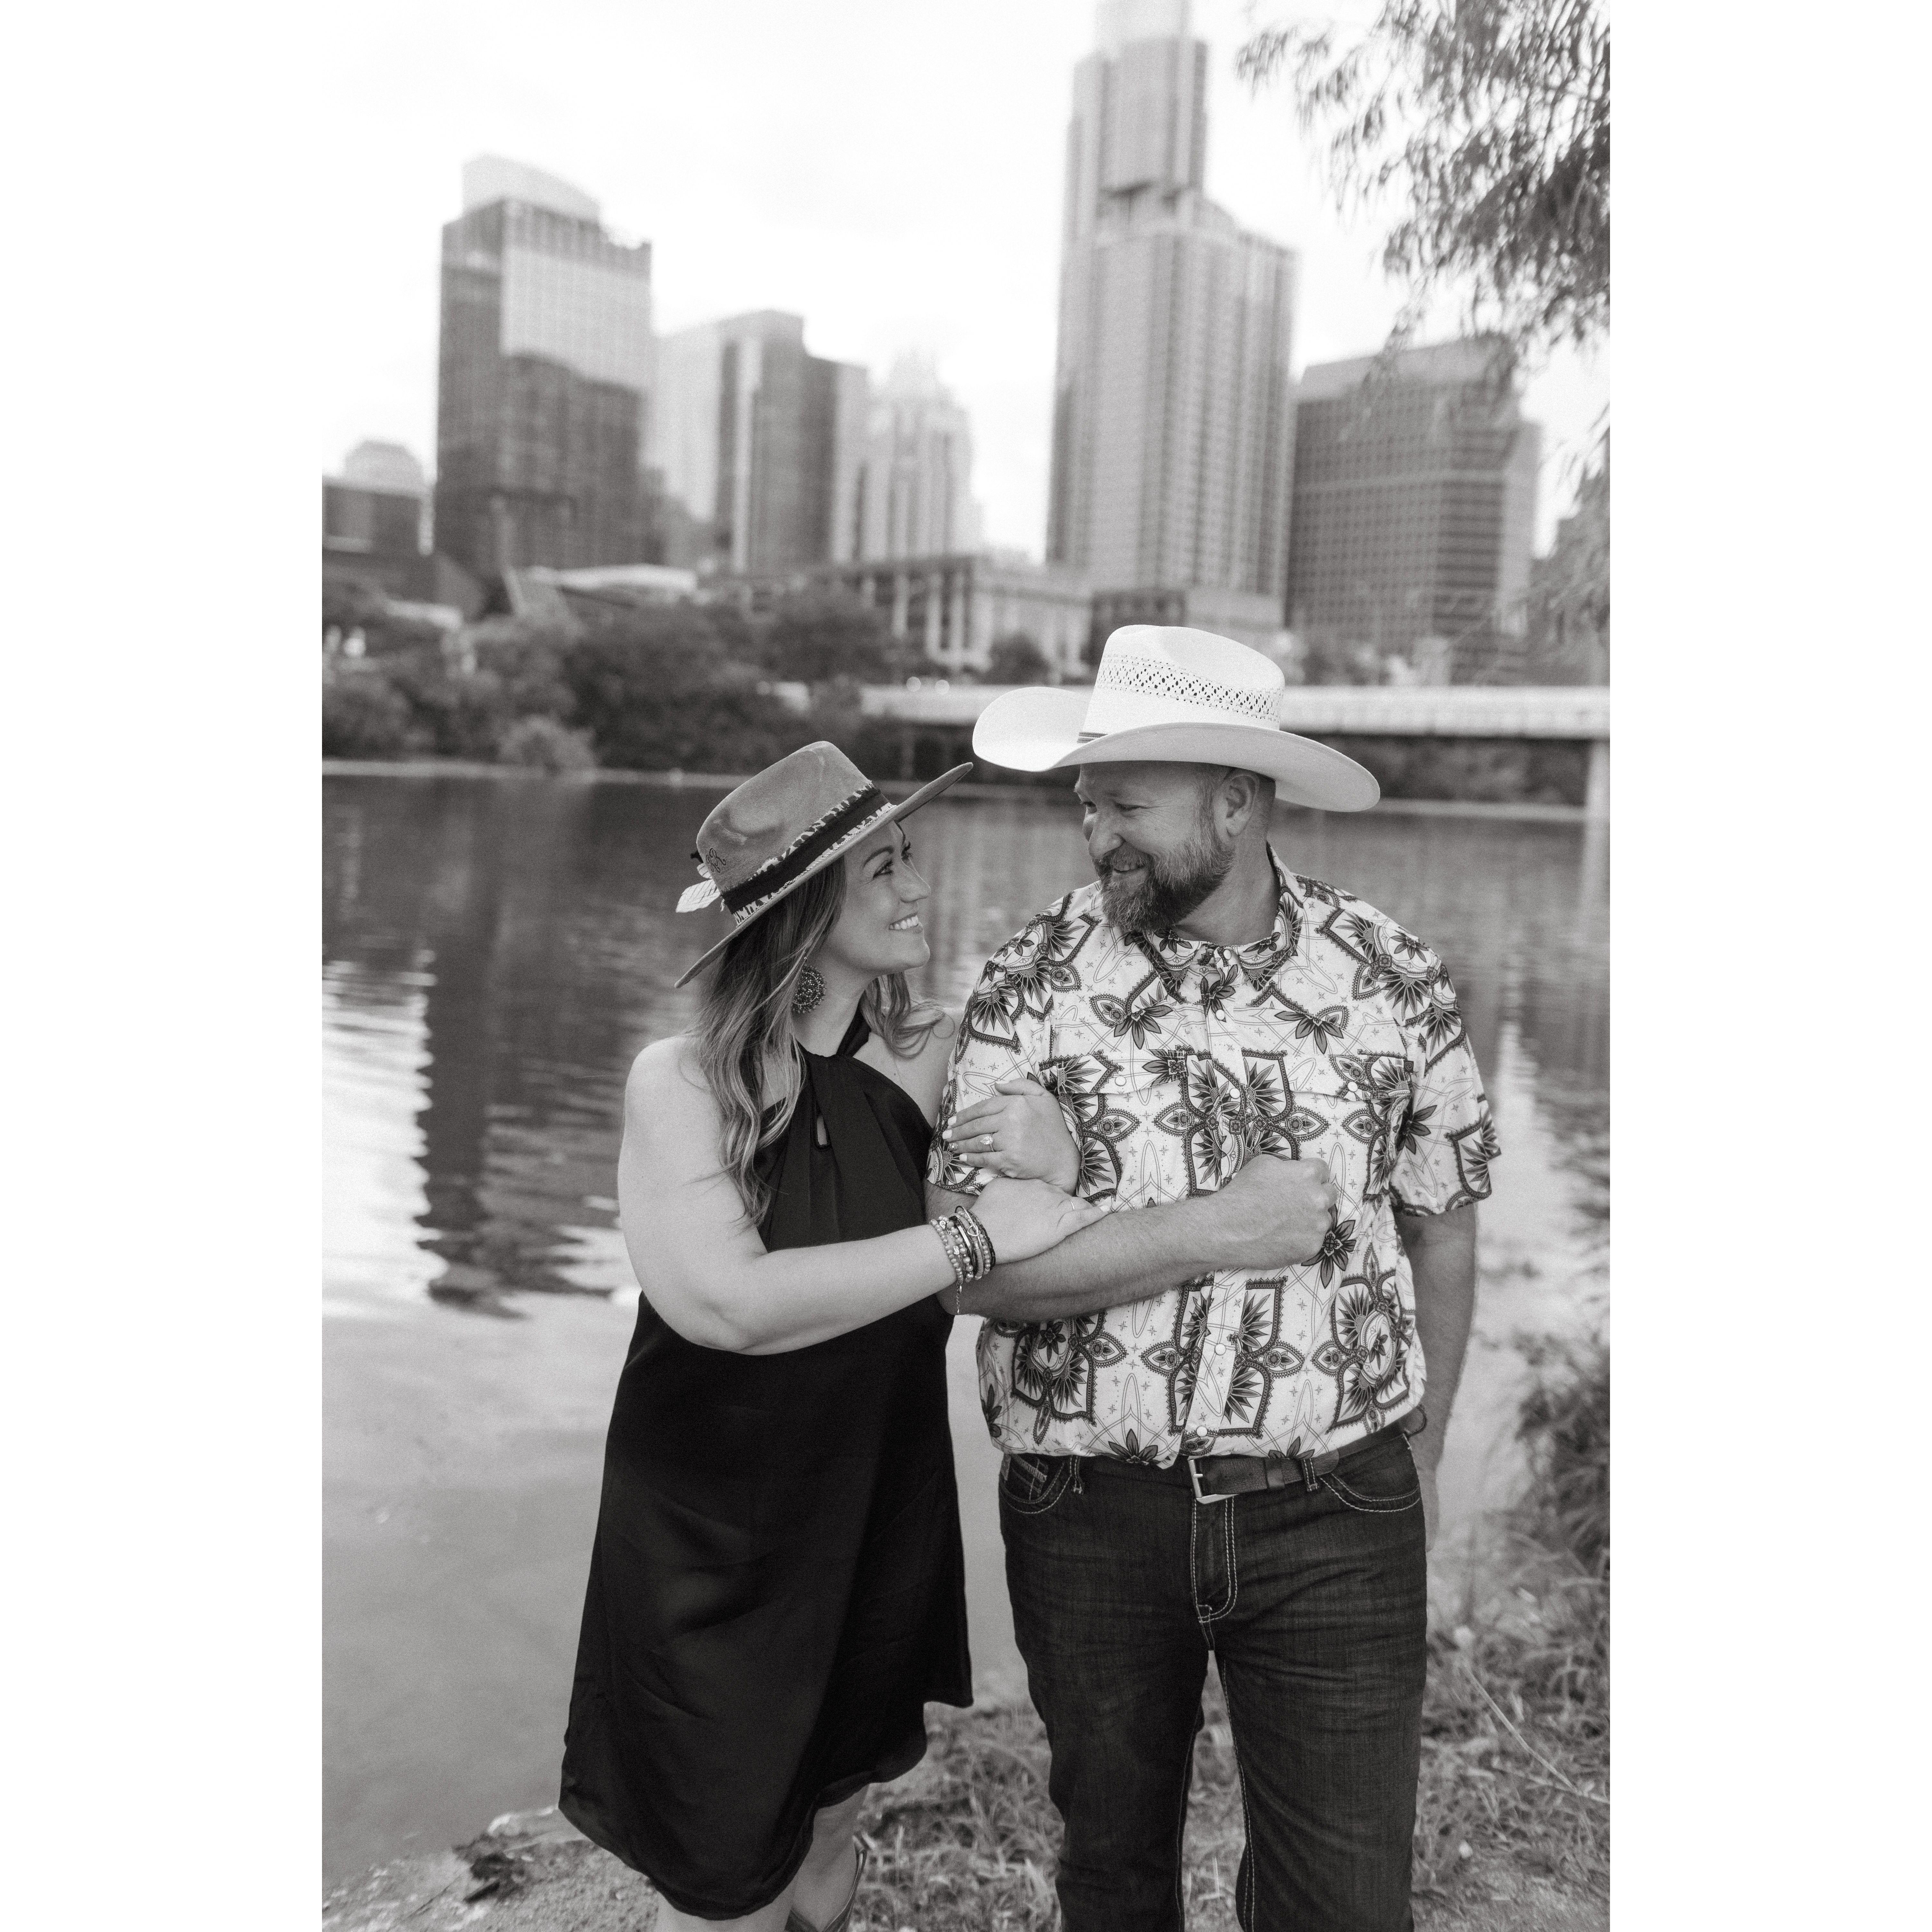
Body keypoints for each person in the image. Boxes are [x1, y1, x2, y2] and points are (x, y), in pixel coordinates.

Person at [557, 742, 1336, 1932]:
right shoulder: (685, 1084)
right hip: (713, 1528)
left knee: (832, 1818)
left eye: (908, 856)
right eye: (883, 870)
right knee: (727, 1872)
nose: (918, 886)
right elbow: (727, 1304)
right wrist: (971, 1240)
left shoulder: (933, 1060)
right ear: (803, 910)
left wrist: (1055, 1163)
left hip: (871, 1495)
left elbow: (1046, 1213)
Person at [926, 627, 1501, 1932]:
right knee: (1113, 1882)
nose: (1097, 837)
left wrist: (1425, 1449)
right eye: (1088, 806)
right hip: (1088, 1511)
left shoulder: (1393, 976)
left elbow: (1445, 1223)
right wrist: (1218, 1230)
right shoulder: (1029, 982)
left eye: (1126, 807)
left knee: (1345, 1904)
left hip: (1339, 1508)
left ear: (1235, 804)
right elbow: (961, 1271)